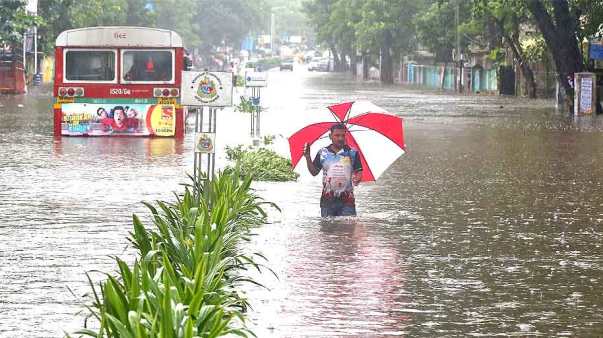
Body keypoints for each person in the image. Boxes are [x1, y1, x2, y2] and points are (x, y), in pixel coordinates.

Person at [304, 123, 363, 217]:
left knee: (347, 229)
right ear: (330, 136)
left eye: (343, 135)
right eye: (337, 135)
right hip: (327, 200)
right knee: (328, 229)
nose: (340, 138)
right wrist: (307, 157)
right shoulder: (323, 153)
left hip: (347, 200)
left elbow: (359, 171)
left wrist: (358, 178)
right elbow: (314, 172)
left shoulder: (352, 153)